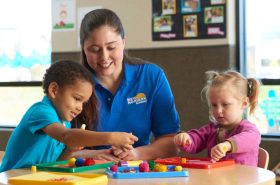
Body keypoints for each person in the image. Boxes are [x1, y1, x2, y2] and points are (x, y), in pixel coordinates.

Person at [71, 8, 180, 161]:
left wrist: (136, 154)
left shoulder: (151, 76)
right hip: (89, 175)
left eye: (111, 47)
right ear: (83, 48)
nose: (104, 57)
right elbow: (58, 151)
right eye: (94, 49)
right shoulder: (72, 86)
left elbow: (172, 142)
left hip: (138, 172)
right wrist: (96, 154)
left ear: (123, 42)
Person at [0, 60, 138, 172]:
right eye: (77, 99)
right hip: (11, 179)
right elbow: (67, 136)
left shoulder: (65, 123)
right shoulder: (41, 112)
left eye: (83, 103)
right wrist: (111, 137)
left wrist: (75, 151)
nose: (80, 107)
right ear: (54, 90)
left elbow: (57, 161)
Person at [174, 70, 261, 166]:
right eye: (214, 105)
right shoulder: (212, 129)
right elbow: (197, 138)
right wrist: (186, 139)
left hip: (244, 180)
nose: (218, 110)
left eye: (225, 104)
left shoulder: (249, 129)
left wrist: (227, 145)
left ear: (243, 103)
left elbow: (249, 139)